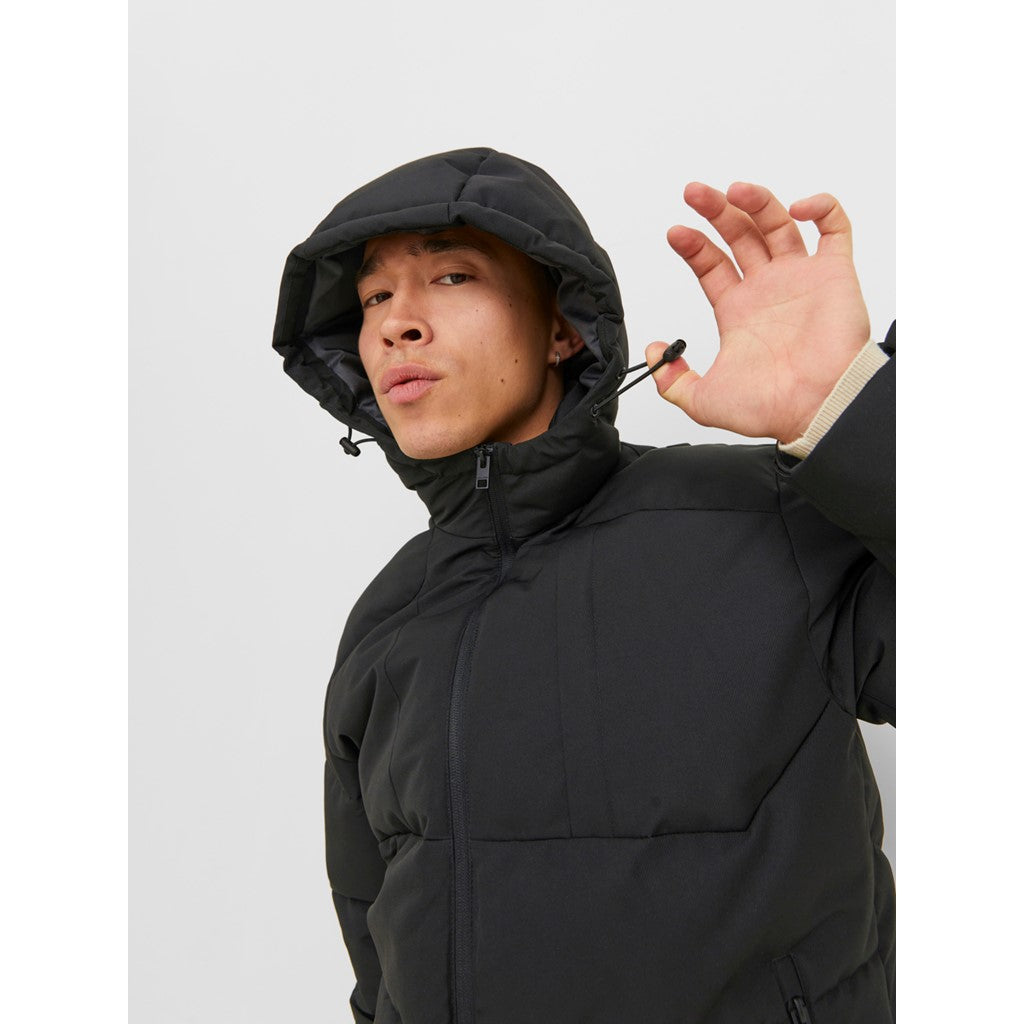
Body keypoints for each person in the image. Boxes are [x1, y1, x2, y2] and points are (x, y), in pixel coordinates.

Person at [272, 147, 895, 1024]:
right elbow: (376, 948)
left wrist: (847, 414)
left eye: (451, 276)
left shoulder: (762, 518)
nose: (394, 324)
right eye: (373, 297)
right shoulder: (385, 619)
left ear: (563, 329)